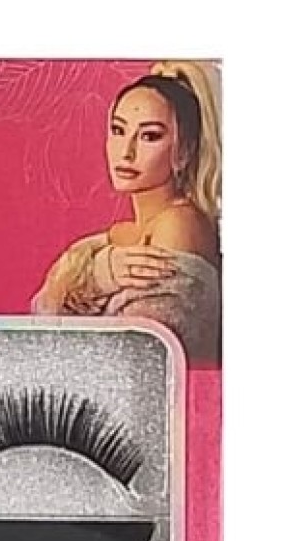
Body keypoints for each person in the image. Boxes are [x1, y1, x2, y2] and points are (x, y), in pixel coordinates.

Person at [31, 61, 221, 364]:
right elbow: (42, 320)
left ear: (184, 151)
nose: (126, 152)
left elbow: (140, 361)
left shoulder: (179, 225)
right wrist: (96, 275)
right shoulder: (115, 238)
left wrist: (83, 280)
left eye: (149, 136)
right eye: (118, 131)